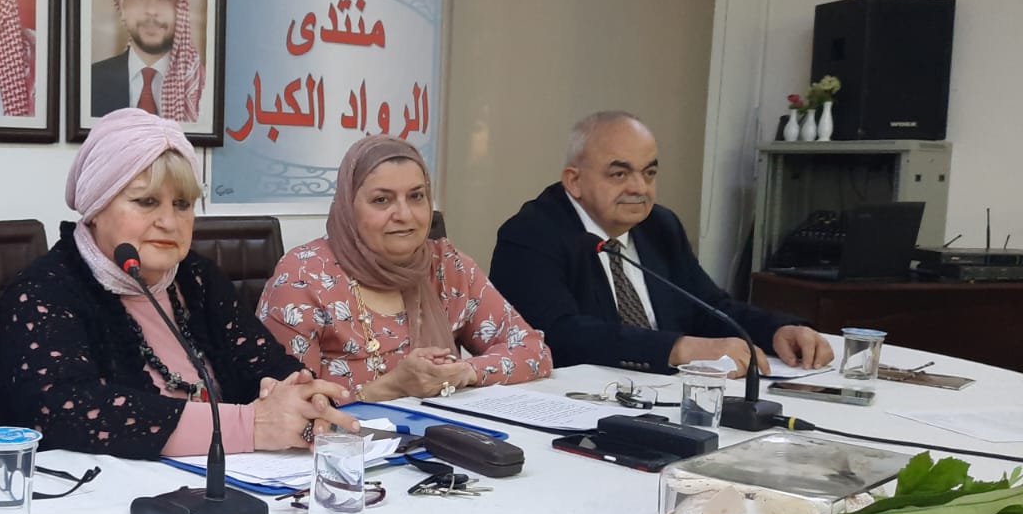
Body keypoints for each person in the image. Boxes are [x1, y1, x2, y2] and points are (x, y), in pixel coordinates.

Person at [0, 109, 353, 458]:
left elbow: (267, 365)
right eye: (146, 202)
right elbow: (64, 410)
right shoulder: (43, 290)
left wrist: (306, 400)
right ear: (95, 208)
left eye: (182, 204)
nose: (169, 221)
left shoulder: (197, 278)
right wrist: (250, 425)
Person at [489, 110, 834, 376]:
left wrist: (777, 330)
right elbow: (557, 335)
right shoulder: (531, 234)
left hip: (667, 394)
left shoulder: (659, 226)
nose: (640, 188)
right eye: (620, 174)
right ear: (574, 181)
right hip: (577, 403)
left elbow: (710, 307)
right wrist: (679, 349)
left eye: (649, 173)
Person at [258, 137, 553, 401]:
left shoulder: (446, 266)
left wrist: (463, 372)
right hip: (343, 443)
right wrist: (389, 388)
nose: (405, 214)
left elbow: (533, 350)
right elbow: (286, 406)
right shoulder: (303, 278)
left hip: (442, 436)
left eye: (416, 196)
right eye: (382, 200)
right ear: (348, 207)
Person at [88, 0, 204, 123]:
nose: (151, 10)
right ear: (122, 5)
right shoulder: (91, 81)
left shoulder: (201, 87)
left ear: (179, 9)